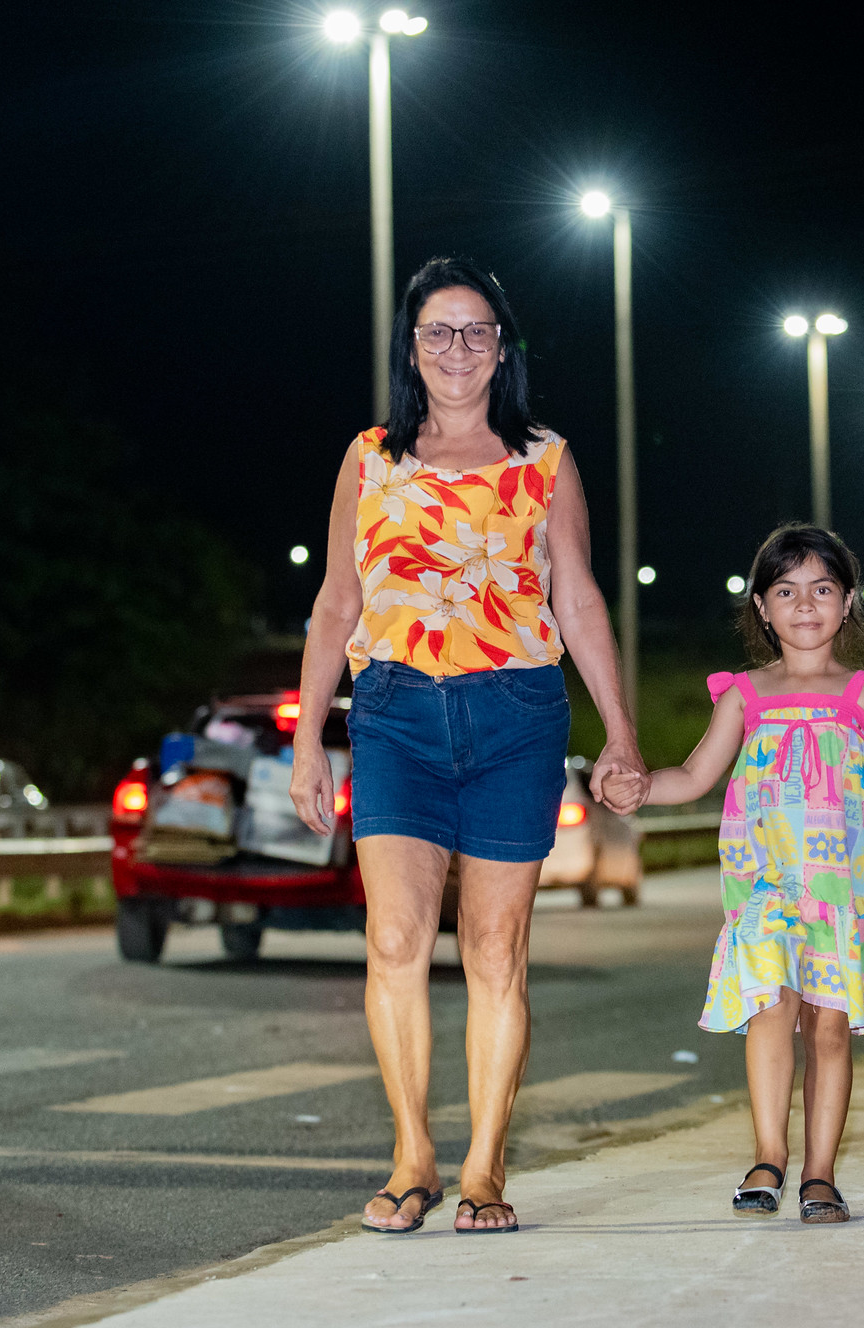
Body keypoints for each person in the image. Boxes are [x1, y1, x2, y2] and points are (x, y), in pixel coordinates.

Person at [289, 257, 647, 1235]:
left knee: (495, 949)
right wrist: (311, 742)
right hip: (395, 712)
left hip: (515, 716)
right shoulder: (369, 457)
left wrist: (621, 730)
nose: (456, 349)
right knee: (395, 937)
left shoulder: (544, 458)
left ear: (502, 347)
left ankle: (484, 1165)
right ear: (411, 348)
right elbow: (335, 601)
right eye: (437, 332)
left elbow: (574, 596)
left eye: (475, 331)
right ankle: (412, 1152)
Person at [642, 524, 864, 1224]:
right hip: (764, 885)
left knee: (829, 1028)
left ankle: (820, 1171)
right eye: (786, 591)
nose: (804, 604)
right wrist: (636, 787)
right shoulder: (743, 695)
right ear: (762, 607)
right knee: (769, 1008)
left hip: (844, 890)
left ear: (847, 601)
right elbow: (695, 775)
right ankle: (770, 1154)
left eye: (822, 589)